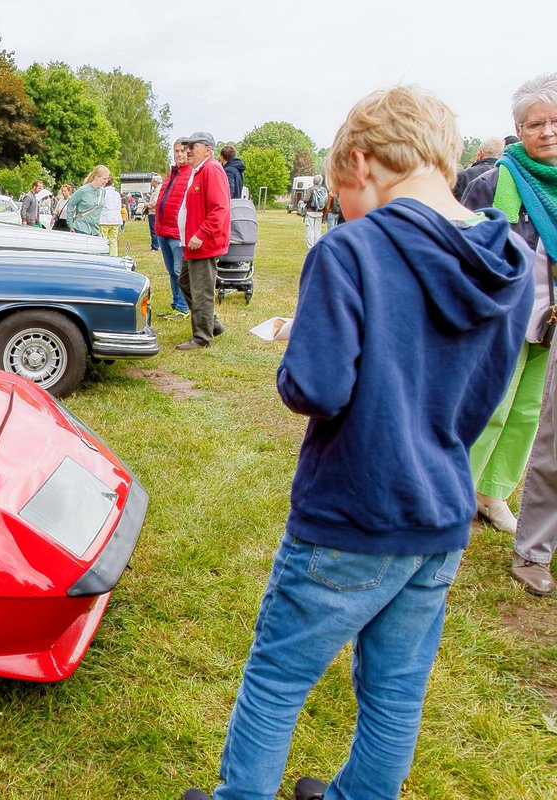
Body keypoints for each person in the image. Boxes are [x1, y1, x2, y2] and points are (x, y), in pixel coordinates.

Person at [182, 85, 533, 800]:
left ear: (363, 162)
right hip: (440, 513)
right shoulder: (514, 265)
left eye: (342, 187)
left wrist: (298, 346)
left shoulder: (353, 251)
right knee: (396, 692)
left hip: (350, 511)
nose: (341, 204)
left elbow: (314, 388)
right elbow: (485, 390)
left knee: (278, 678)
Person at [462, 72, 557, 596]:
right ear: (518, 130)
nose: (546, 132)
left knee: (529, 415)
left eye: (554, 122)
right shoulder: (494, 181)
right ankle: (456, 498)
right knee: (491, 407)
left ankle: (493, 493)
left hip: (552, 323)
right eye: (535, 123)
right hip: (504, 320)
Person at [175, 132, 230, 350]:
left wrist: (201, 233)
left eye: (192, 146)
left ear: (207, 149)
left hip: (203, 243)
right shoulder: (199, 171)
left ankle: (202, 337)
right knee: (186, 283)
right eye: (186, 146)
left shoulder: (211, 169)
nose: (188, 150)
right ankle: (211, 324)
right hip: (193, 243)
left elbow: (220, 208)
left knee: (202, 290)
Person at [155, 140, 192, 319]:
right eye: (176, 151)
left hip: (177, 232)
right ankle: (176, 303)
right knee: (172, 271)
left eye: (183, 151)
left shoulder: (190, 174)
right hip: (164, 230)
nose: (179, 154)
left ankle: (183, 307)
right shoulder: (173, 174)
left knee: (180, 271)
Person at [66, 165, 109, 236]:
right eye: (104, 179)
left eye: (107, 179)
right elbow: (70, 204)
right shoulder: (82, 190)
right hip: (81, 228)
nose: (106, 181)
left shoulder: (103, 192)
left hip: (95, 230)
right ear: (96, 177)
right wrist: (70, 224)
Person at [99, 175, 123, 255]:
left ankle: (103, 255)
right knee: (113, 240)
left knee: (102, 240)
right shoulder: (117, 194)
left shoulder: (103, 193)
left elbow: (100, 205)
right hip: (115, 219)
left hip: (104, 219)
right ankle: (114, 256)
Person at [303, 174, 327, 248]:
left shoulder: (310, 189)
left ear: (313, 181)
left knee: (310, 230)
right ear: (321, 182)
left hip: (310, 212)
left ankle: (310, 246)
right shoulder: (324, 190)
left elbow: (306, 199)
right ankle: (317, 246)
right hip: (319, 212)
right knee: (317, 231)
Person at [144, 175, 163, 251]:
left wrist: (147, 205)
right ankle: (156, 245)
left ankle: (155, 246)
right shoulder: (158, 189)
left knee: (154, 230)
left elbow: (154, 202)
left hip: (153, 212)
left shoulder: (157, 190)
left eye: (152, 181)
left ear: (155, 181)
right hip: (156, 212)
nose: (151, 183)